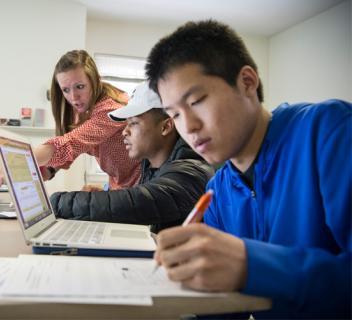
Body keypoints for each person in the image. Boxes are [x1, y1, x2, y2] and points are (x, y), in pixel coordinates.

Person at [146, 19, 351, 318]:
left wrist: (251, 265)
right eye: (175, 114)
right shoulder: (218, 190)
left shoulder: (329, 131)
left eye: (197, 100)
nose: (188, 127)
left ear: (247, 82)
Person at [50, 82, 214, 233]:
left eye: (133, 123)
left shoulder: (191, 172)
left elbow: (142, 203)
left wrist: (55, 203)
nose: (124, 131)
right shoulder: (154, 169)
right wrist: (104, 195)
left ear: (165, 126)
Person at [0, 50, 140, 190]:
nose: (73, 97)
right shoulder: (83, 109)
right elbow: (64, 156)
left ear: (94, 81)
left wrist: (10, 163)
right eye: (65, 89)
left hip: (140, 190)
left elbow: (70, 143)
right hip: (117, 185)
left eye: (80, 86)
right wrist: (40, 172)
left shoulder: (113, 109)